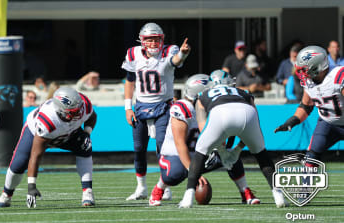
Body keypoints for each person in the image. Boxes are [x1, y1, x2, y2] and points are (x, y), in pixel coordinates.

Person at [178, 69, 288, 208]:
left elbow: (203, 127)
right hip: (247, 113)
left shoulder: (203, 95)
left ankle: (188, 197)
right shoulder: (244, 92)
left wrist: (221, 150)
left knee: (200, 152)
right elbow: (252, 123)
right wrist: (237, 150)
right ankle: (278, 196)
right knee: (261, 155)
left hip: (220, 113)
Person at [148, 74, 260, 206]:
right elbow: (180, 145)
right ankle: (159, 188)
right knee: (175, 173)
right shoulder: (183, 108)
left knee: (231, 156)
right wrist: (193, 173)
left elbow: (221, 141)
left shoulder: (211, 108)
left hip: (200, 155)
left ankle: (245, 192)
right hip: (176, 156)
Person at [0, 87, 97, 208]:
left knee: (84, 146)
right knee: (19, 163)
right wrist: (31, 186)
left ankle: (87, 191)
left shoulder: (83, 105)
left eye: (79, 110)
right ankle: (6, 194)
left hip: (68, 133)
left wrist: (86, 133)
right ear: (61, 110)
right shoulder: (48, 120)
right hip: (37, 133)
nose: (79, 114)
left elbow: (92, 116)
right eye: (73, 112)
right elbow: (36, 155)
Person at [121, 22, 190, 201]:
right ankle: (141, 188)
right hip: (141, 107)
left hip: (163, 107)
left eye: (156, 39)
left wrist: (182, 53)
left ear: (162, 40)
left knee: (163, 148)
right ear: (142, 41)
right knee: (138, 149)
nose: (152, 43)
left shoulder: (170, 51)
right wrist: (128, 107)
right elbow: (129, 81)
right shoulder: (133, 54)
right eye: (149, 40)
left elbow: (176, 61)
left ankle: (165, 186)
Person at [275, 45, 344, 166]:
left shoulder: (338, 76)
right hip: (328, 123)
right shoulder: (309, 82)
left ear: (317, 66)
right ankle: (306, 185)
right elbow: (306, 105)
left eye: (304, 69)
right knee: (310, 158)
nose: (301, 73)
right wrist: (292, 121)